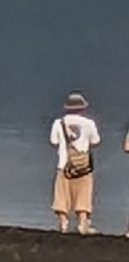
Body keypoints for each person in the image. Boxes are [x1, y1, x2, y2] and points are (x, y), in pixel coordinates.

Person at [49, 91, 101, 234]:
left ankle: (64, 223)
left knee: (62, 194)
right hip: (83, 166)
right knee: (83, 193)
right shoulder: (89, 123)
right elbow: (96, 141)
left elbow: (53, 142)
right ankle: (82, 224)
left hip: (64, 164)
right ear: (82, 108)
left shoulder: (58, 123)